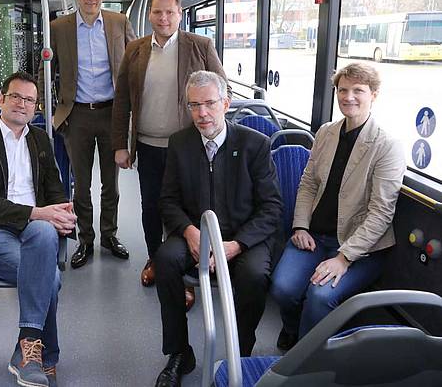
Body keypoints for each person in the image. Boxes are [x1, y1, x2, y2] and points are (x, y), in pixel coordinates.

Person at [154, 71, 282, 386]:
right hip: (197, 233)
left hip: (243, 236)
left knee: (253, 276)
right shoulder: (180, 143)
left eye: (210, 103)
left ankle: (240, 353)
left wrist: (235, 245)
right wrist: (190, 232)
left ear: (225, 103)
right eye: (194, 106)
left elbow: (271, 208)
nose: (202, 114)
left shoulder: (255, 145)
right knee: (166, 260)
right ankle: (180, 352)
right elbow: (168, 200)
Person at [270, 62, 406, 351]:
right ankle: (293, 329)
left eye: (358, 90)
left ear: (374, 95)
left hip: (360, 249)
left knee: (320, 296)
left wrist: (344, 258)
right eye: (342, 90)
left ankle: (305, 359)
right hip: (315, 236)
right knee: (283, 287)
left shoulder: (387, 145)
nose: (349, 97)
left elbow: (381, 212)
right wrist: (300, 225)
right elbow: (307, 184)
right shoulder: (326, 133)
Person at [0, 71, 76, 387]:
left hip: (34, 230)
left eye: (29, 100)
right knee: (49, 277)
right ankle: (43, 354)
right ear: (1, 100)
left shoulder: (40, 139)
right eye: (16, 97)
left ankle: (27, 351)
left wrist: (63, 210)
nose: (22, 105)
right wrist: (37, 212)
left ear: (36, 108)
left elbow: (54, 187)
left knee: (43, 231)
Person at [112, 0, 226, 303]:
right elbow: (122, 99)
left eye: (169, 12)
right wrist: (120, 144)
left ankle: (183, 270)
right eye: (157, 12)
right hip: (148, 144)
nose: (163, 18)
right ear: (149, 15)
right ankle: (155, 258)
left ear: (180, 14)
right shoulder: (135, 49)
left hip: (189, 147)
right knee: (151, 206)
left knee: (186, 208)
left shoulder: (200, 46)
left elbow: (220, 89)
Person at [39, 0, 136, 269]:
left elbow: (136, 63)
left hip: (112, 114)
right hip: (76, 116)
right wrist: (48, 111)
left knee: (112, 182)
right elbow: (44, 72)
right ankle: (86, 239)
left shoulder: (119, 22)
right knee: (80, 185)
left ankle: (109, 235)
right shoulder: (59, 28)